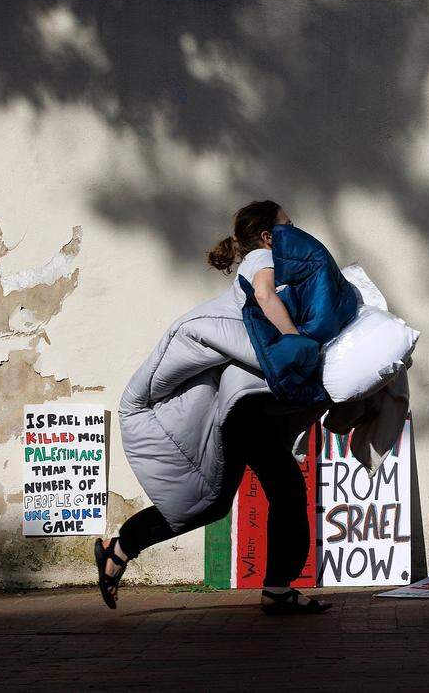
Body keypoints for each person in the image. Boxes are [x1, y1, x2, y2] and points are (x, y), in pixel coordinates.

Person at [95, 200, 331, 614]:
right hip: (244, 410)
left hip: (243, 408)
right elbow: (263, 296)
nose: (296, 232)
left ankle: (119, 548)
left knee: (211, 502)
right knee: (281, 489)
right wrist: (299, 341)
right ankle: (276, 589)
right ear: (267, 236)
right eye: (288, 226)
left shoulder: (271, 263)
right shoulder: (263, 258)